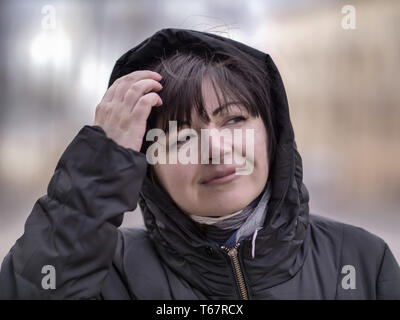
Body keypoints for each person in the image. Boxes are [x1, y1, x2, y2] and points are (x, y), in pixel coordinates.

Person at [1, 28, 399, 300]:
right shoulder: (109, 275)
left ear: (272, 133)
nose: (216, 148)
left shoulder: (363, 261)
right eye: (181, 138)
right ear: (147, 166)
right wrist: (102, 158)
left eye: (235, 119)